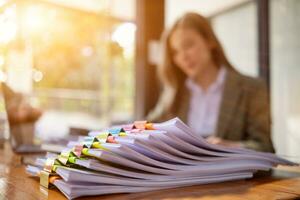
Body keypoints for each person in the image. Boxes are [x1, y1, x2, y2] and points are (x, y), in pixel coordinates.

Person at [147, 12, 274, 152]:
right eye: (175, 52)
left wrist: (232, 147)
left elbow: (266, 147)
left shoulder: (251, 89)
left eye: (188, 45)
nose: (183, 57)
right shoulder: (174, 93)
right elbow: (146, 127)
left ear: (209, 41)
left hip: (228, 172)